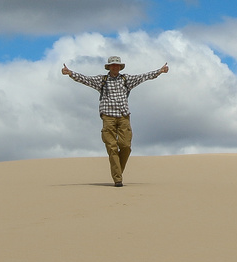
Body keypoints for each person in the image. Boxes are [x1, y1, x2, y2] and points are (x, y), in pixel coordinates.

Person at [61, 56, 169, 186]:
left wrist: (160, 71)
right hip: (108, 117)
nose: (115, 67)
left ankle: (117, 171)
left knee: (126, 146)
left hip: (123, 116)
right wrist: (70, 73)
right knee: (112, 148)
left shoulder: (126, 79)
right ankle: (118, 179)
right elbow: (85, 79)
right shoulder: (102, 80)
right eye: (113, 65)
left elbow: (143, 77)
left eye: (117, 65)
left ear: (120, 67)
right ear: (109, 67)